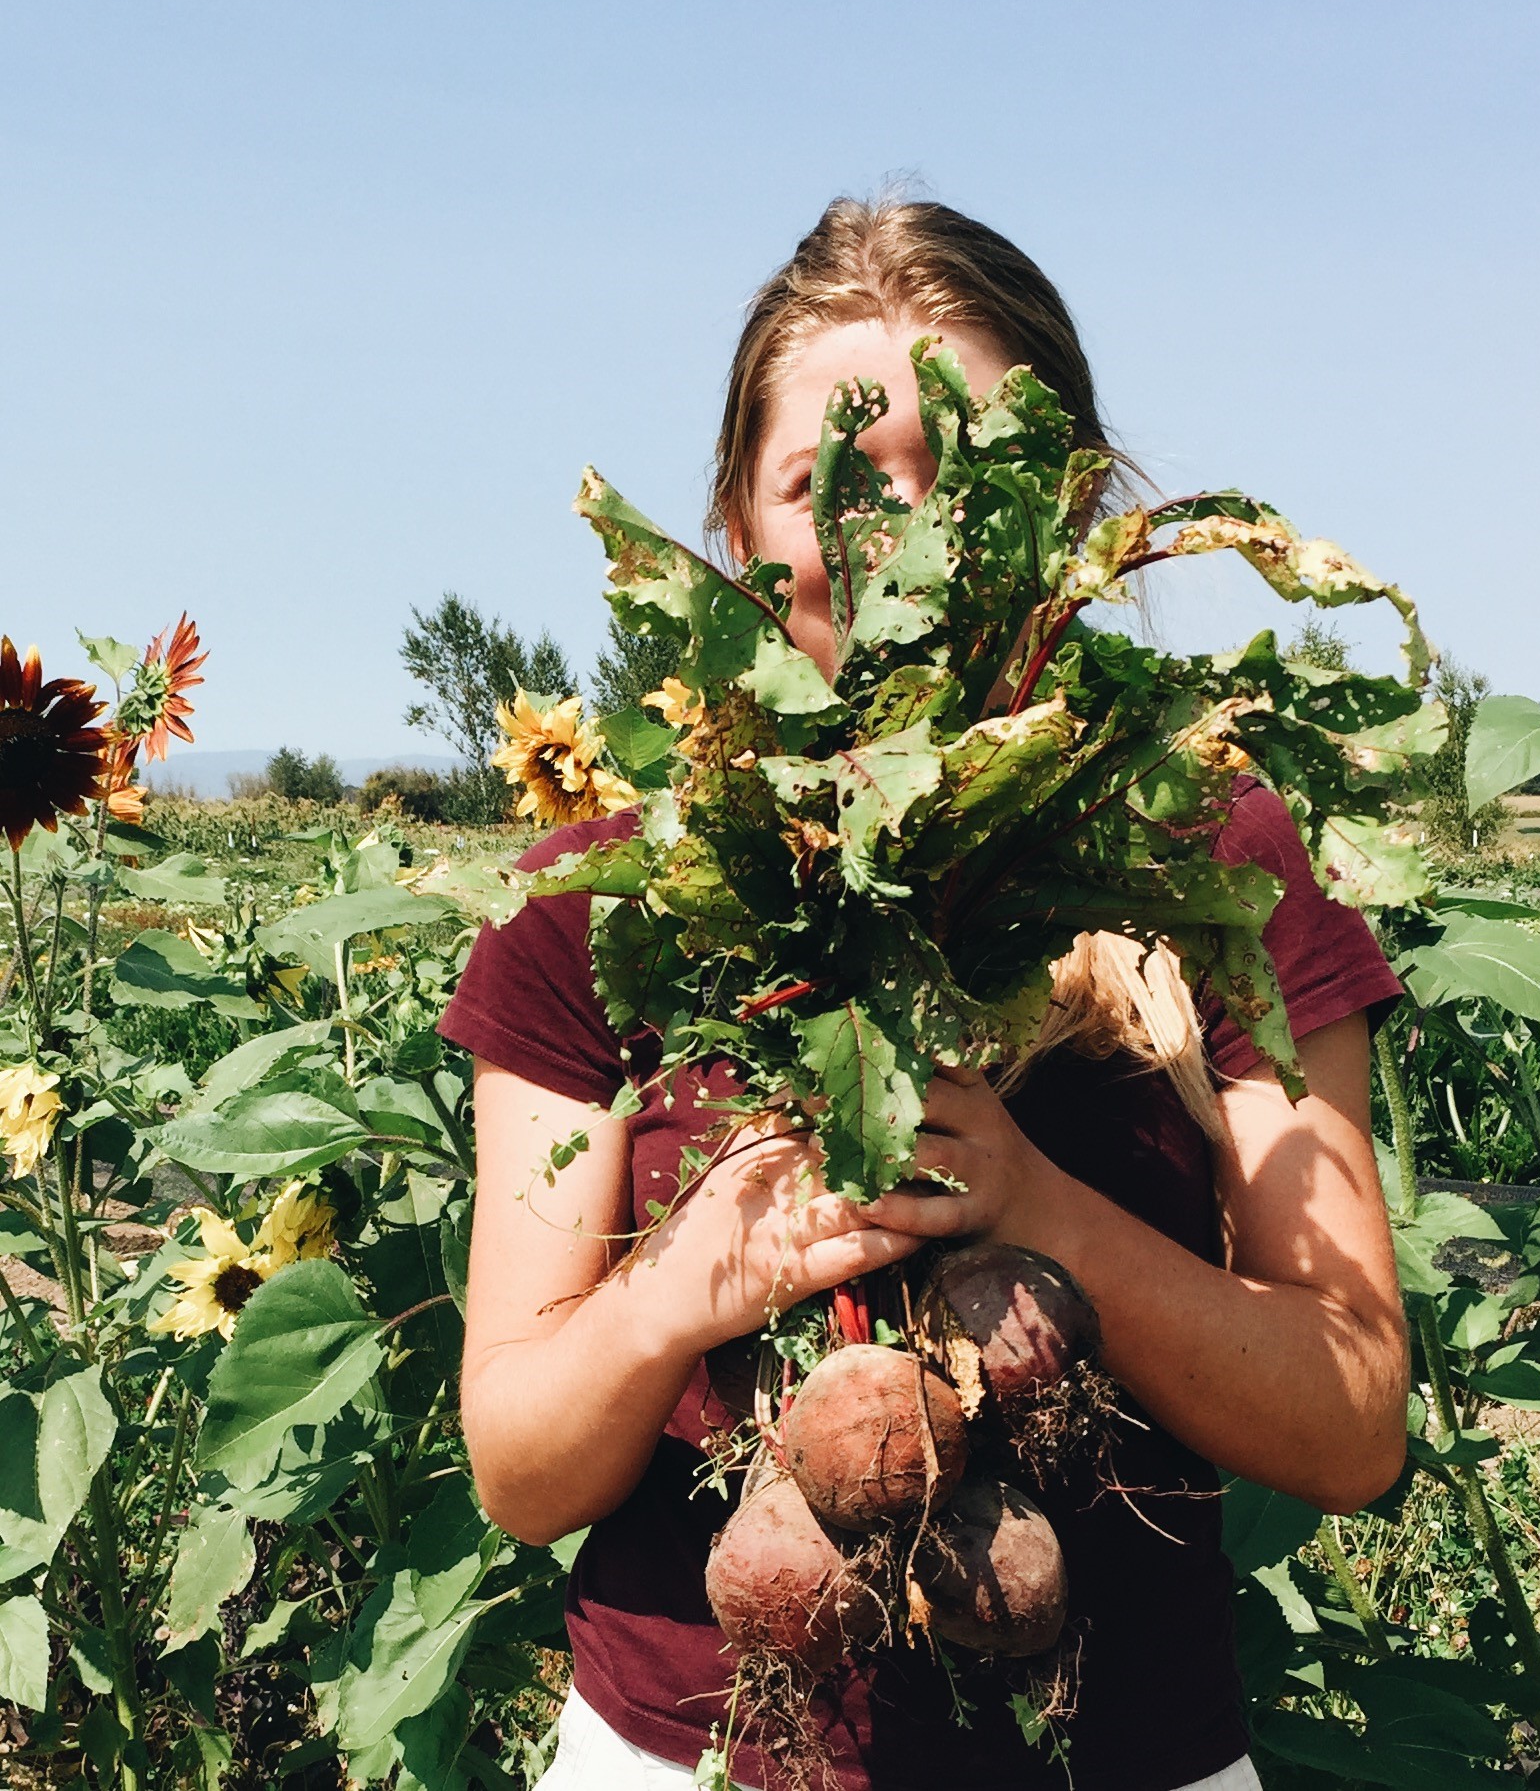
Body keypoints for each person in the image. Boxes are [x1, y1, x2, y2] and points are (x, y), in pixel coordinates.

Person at [444, 198, 1408, 1791]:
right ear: (738, 528)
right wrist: (686, 1286)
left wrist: (1038, 1214)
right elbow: (519, 1468)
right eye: (827, 480)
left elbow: (1354, 1415)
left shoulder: (1205, 852)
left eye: (962, 475)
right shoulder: (613, 879)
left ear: (1071, 509)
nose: (899, 531)